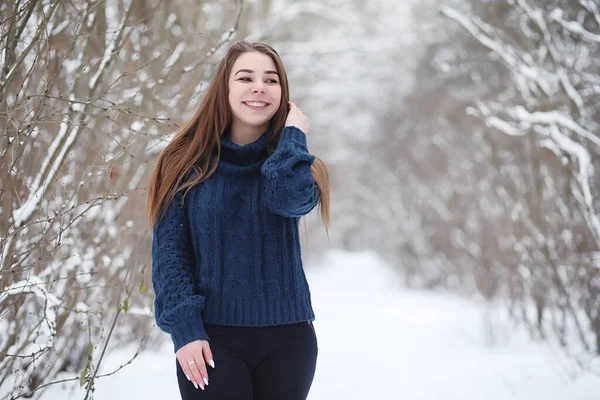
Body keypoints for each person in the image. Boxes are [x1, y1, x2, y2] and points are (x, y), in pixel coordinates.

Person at [145, 40, 330, 400]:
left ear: (283, 94)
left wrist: (292, 138)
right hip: (212, 340)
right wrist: (185, 329)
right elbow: (171, 257)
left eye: (271, 80)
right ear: (224, 89)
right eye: (246, 78)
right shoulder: (184, 163)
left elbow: (290, 200)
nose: (259, 86)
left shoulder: (294, 164)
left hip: (289, 340)